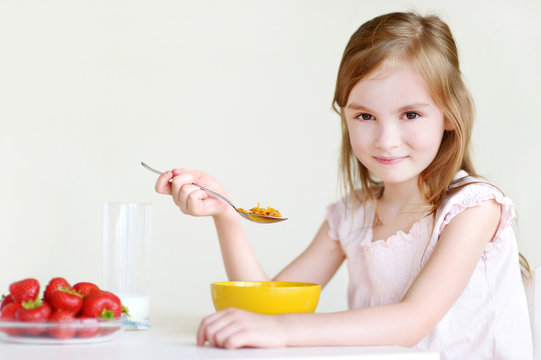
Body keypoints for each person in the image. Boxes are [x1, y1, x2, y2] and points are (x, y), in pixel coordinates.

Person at [154, 11, 532, 359]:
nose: (386, 139)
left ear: (450, 114)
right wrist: (225, 214)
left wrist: (284, 330)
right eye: (365, 115)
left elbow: (411, 322)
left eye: (410, 114)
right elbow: (265, 309)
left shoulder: (474, 208)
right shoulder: (352, 216)